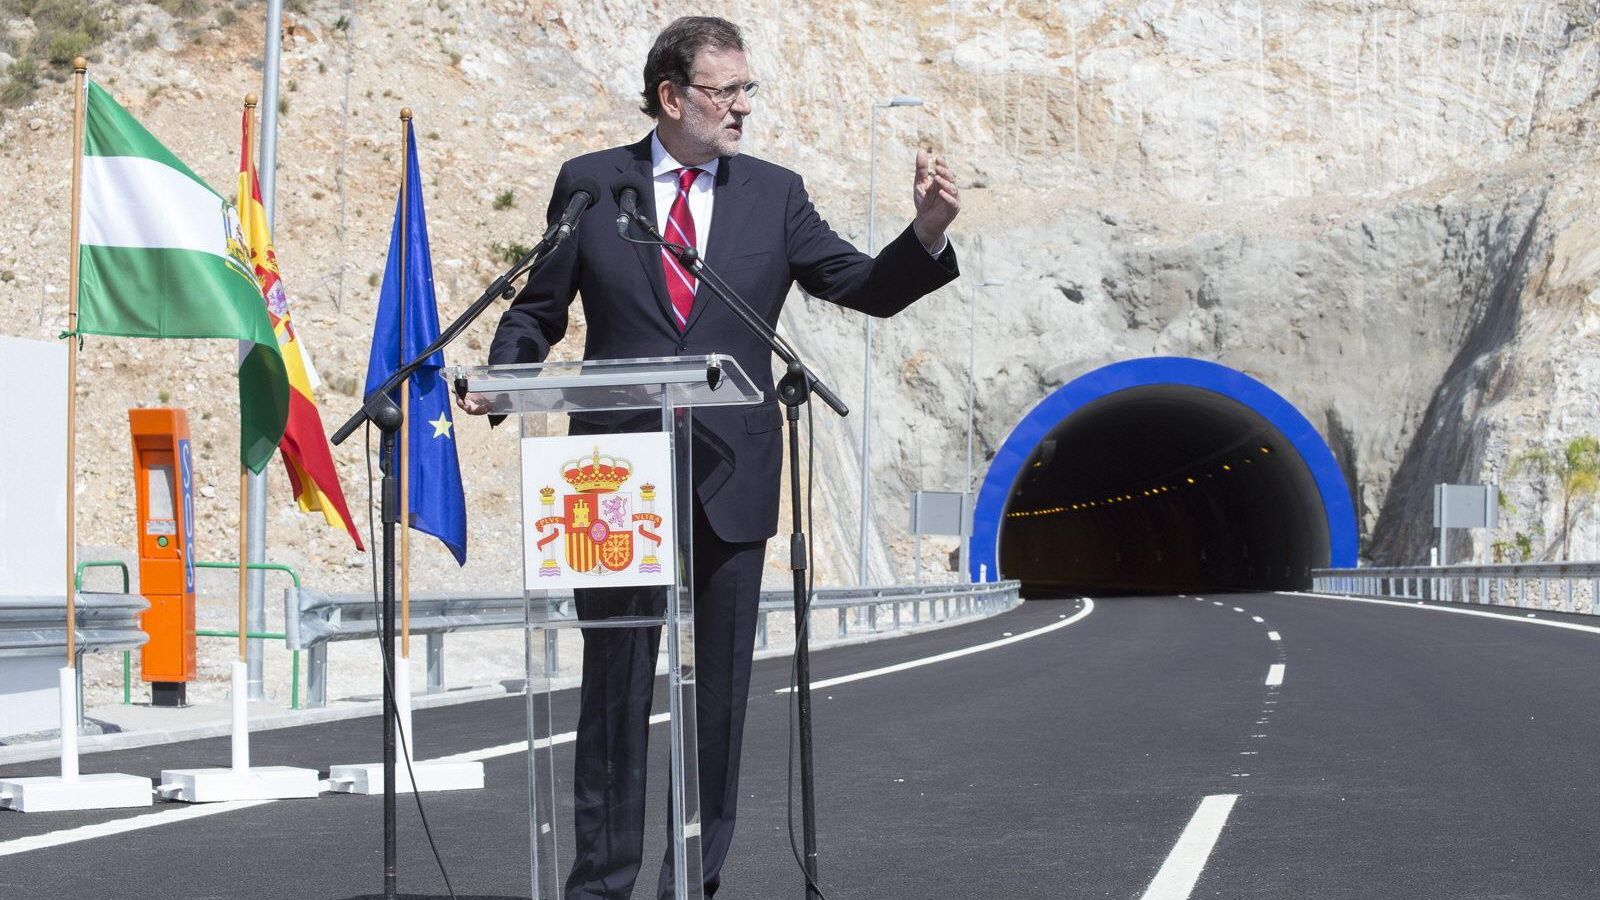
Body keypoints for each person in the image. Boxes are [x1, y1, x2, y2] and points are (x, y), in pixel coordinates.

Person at [459, 16, 960, 899]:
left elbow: (860, 286)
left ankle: (693, 881)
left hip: (732, 467)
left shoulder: (774, 194)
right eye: (725, 92)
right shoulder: (593, 185)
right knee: (614, 687)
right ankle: (600, 886)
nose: (742, 108)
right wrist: (508, 377)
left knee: (719, 697)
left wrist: (924, 232)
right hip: (612, 479)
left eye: (746, 90)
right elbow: (539, 308)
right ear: (671, 96)